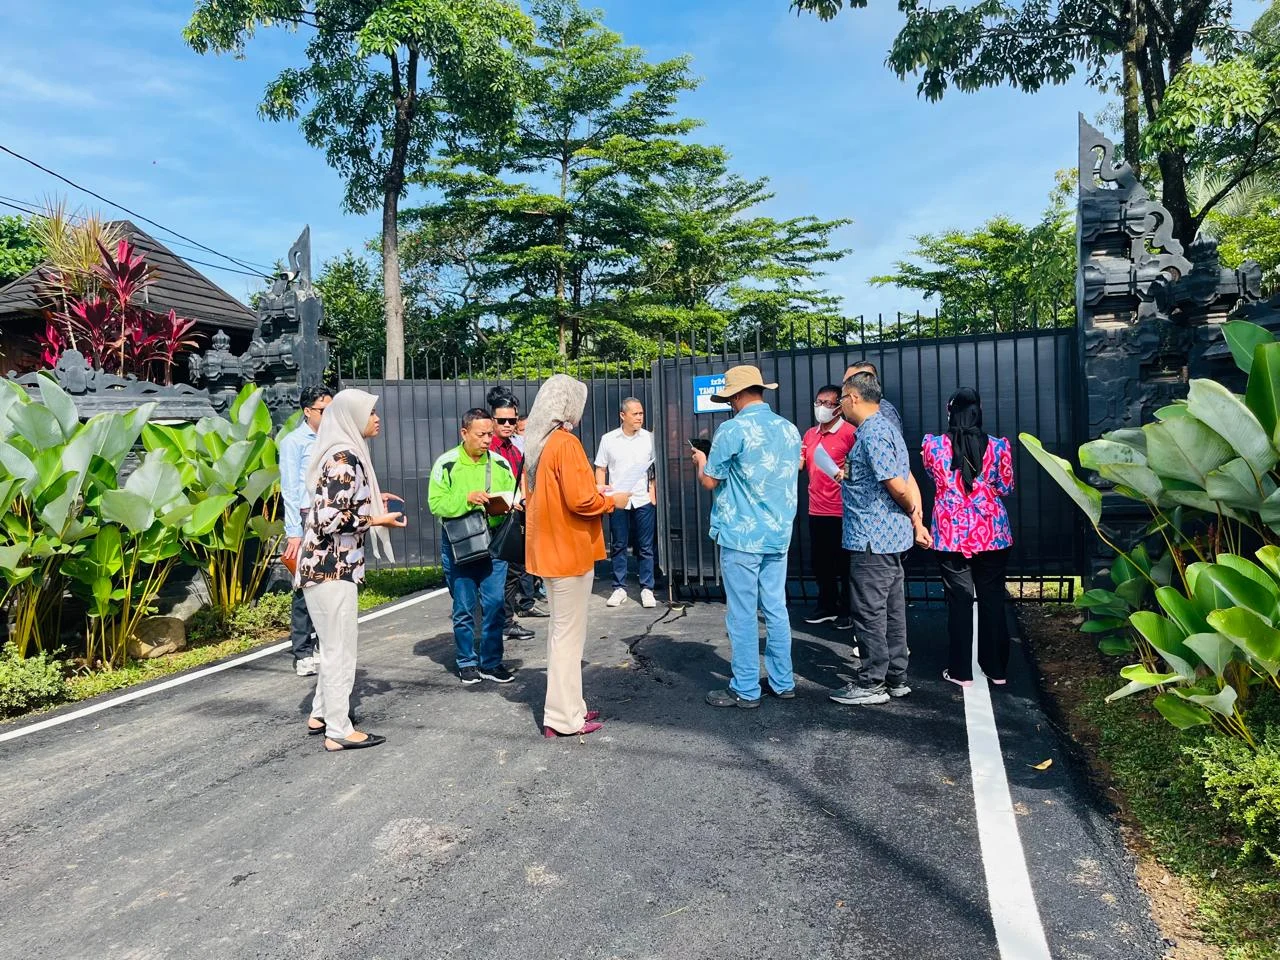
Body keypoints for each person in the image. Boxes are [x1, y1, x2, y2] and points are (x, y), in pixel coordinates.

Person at [297, 388, 407, 752]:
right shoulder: (345, 459)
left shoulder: (338, 453)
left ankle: (320, 714)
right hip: (332, 568)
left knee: (333, 645)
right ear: (351, 418)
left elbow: (337, 503)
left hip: (323, 567)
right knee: (339, 650)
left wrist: (371, 501)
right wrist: (376, 518)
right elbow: (328, 518)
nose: (376, 419)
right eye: (370, 412)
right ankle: (339, 730)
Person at [524, 374, 631, 738]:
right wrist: (612, 501)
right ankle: (563, 717)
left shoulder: (538, 444)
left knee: (562, 634)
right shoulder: (565, 443)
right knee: (568, 639)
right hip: (569, 551)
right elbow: (581, 501)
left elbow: (563, 493)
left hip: (550, 552)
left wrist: (594, 490)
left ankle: (570, 707)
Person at [690, 365, 802, 709]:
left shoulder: (732, 429)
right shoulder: (789, 429)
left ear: (737, 395)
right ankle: (783, 682)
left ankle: (746, 688)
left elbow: (710, 480)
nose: (730, 404)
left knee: (741, 613)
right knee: (776, 608)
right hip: (778, 532)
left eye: (730, 399)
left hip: (741, 534)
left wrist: (700, 460)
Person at [829, 371, 931, 707]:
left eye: (842, 399)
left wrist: (911, 507)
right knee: (891, 611)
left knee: (869, 612)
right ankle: (896, 678)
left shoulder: (872, 433)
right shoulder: (887, 429)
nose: (840, 406)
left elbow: (896, 483)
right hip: (889, 538)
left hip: (872, 538)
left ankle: (872, 682)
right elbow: (898, 477)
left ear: (854, 397)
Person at [922, 388, 1015, 687]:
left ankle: (961, 671)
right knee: (992, 599)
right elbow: (1006, 487)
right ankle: (996, 669)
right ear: (978, 411)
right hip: (993, 533)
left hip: (951, 533)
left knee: (959, 601)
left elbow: (934, 479)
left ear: (950, 411)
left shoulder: (933, 446)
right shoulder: (999, 447)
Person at [429, 408, 520, 685]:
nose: (487, 440)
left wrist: (513, 503)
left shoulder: (500, 463)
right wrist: (467, 498)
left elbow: (514, 494)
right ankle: (466, 661)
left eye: (490, 434)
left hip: (494, 542)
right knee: (464, 606)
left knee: (495, 604)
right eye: (481, 435)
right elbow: (436, 503)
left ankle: (491, 662)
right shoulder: (446, 463)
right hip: (460, 544)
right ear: (464, 433)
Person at [279, 384, 332, 677]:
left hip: (330, 516)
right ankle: (302, 651)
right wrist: (293, 532)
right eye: (323, 410)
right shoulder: (294, 442)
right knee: (305, 585)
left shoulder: (333, 438)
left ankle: (325, 643)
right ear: (307, 411)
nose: (328, 415)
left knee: (330, 583)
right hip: (305, 516)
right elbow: (289, 489)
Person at [800, 384, 855, 630]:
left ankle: (847, 610)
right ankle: (826, 606)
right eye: (818, 402)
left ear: (839, 407)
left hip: (842, 510)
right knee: (821, 563)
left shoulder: (850, 433)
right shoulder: (810, 434)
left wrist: (844, 474)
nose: (821, 407)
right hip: (816, 509)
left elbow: (857, 467)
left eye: (827, 403)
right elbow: (801, 463)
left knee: (845, 564)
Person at [595, 397, 658, 609]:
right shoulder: (608, 439)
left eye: (641, 413)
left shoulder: (649, 438)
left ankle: (647, 588)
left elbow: (655, 467)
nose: (640, 417)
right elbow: (600, 468)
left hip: (643, 498)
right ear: (623, 415)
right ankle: (619, 588)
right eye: (635, 414)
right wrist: (603, 494)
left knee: (646, 546)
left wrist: (653, 491)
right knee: (619, 544)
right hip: (618, 499)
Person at [488, 389, 539, 641]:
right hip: (492, 519)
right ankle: (499, 623)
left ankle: (506, 621)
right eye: (502, 420)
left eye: (512, 420)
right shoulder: (487, 448)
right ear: (492, 420)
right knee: (496, 576)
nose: (508, 424)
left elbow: (523, 481)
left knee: (515, 570)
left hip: (513, 518)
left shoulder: (515, 449)